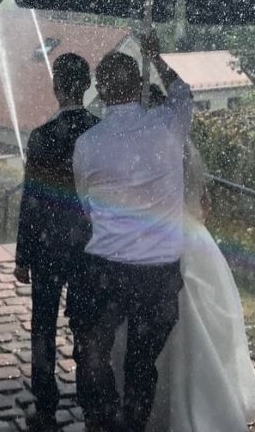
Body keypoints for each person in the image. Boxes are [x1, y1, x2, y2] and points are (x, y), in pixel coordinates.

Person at [109, 86, 255, 432]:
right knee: (195, 319)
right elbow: (200, 200)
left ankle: (146, 403)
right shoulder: (182, 149)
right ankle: (203, 401)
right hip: (189, 236)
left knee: (146, 324)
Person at [69, 31, 191, 432]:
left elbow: (86, 206)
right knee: (141, 361)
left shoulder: (88, 144)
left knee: (92, 352)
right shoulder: (169, 125)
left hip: (105, 269)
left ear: (101, 91)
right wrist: (156, 56)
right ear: (140, 85)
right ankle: (132, 423)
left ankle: (102, 416)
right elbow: (183, 92)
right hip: (159, 273)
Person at [14, 53, 100, 432]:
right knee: (87, 324)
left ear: (56, 87)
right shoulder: (99, 132)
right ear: (87, 86)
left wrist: (23, 256)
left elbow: (31, 199)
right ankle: (90, 399)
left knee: (43, 325)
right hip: (89, 246)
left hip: (48, 246)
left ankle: (45, 405)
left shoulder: (41, 136)